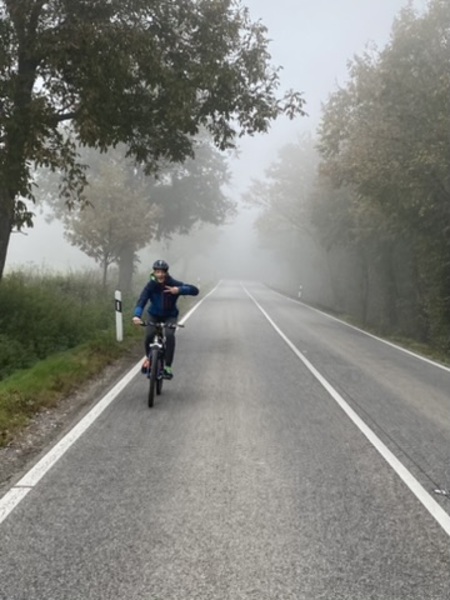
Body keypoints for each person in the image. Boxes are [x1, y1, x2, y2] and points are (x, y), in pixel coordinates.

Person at [132, 259, 199, 379]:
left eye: (162, 272)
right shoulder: (150, 286)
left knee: (169, 335)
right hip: (153, 315)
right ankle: (149, 359)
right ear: (154, 272)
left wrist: (179, 290)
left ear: (166, 272)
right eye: (157, 272)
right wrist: (137, 315)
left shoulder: (173, 283)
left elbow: (195, 291)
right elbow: (142, 300)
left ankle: (168, 367)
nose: (160, 275)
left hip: (170, 316)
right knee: (149, 335)